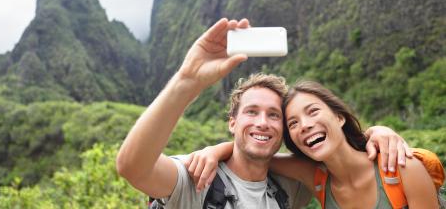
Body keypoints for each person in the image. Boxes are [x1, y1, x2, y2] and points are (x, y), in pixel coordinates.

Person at [116, 18, 411, 208]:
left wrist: (377, 132)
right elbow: (133, 167)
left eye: (274, 115)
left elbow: (343, 157)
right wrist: (186, 81)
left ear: (284, 130)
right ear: (232, 122)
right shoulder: (197, 176)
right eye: (251, 112)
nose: (262, 122)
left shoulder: (293, 185)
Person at [187, 80, 439, 208]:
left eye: (313, 111)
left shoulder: (401, 168)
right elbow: (254, 153)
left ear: (339, 117)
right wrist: (214, 150)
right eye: (293, 123)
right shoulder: (316, 177)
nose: (304, 125)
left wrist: (378, 130)